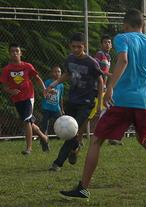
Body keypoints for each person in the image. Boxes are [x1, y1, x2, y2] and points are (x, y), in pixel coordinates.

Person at [60, 9, 146, 200]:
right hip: (145, 102)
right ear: (143, 25)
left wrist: (110, 88)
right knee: (144, 138)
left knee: (97, 139)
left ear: (125, 25)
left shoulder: (122, 38)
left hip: (123, 101)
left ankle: (83, 188)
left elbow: (123, 60)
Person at [48, 32, 104, 171]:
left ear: (84, 46)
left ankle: (58, 163)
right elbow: (67, 74)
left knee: (72, 131)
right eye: (73, 47)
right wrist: (53, 84)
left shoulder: (91, 62)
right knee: (71, 132)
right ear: (70, 46)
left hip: (86, 102)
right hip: (72, 100)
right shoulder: (70, 60)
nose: (76, 49)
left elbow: (100, 80)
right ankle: (75, 146)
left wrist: (100, 104)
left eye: (79, 47)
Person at [0, 43, 49, 155]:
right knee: (29, 122)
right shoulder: (7, 69)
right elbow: (5, 87)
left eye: (17, 51)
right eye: (12, 51)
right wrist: (11, 91)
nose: (15, 53)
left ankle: (29, 148)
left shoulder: (27, 66)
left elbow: (37, 78)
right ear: (9, 54)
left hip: (28, 97)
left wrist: (44, 89)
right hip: (17, 99)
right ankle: (43, 137)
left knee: (26, 121)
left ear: (21, 53)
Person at [94, 34, 122, 146]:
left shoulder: (108, 56)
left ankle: (110, 137)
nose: (107, 44)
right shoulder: (99, 54)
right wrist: (110, 74)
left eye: (109, 42)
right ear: (101, 44)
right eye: (105, 42)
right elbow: (96, 69)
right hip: (96, 87)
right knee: (91, 113)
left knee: (109, 110)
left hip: (104, 87)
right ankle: (79, 138)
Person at [41, 65, 64, 135]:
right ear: (51, 73)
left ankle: (63, 135)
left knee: (62, 122)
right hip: (46, 107)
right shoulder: (48, 82)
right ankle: (44, 141)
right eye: (55, 72)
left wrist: (62, 109)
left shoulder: (61, 85)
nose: (57, 73)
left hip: (56, 108)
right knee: (44, 126)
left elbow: (61, 98)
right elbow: (44, 92)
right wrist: (49, 91)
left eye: (59, 72)